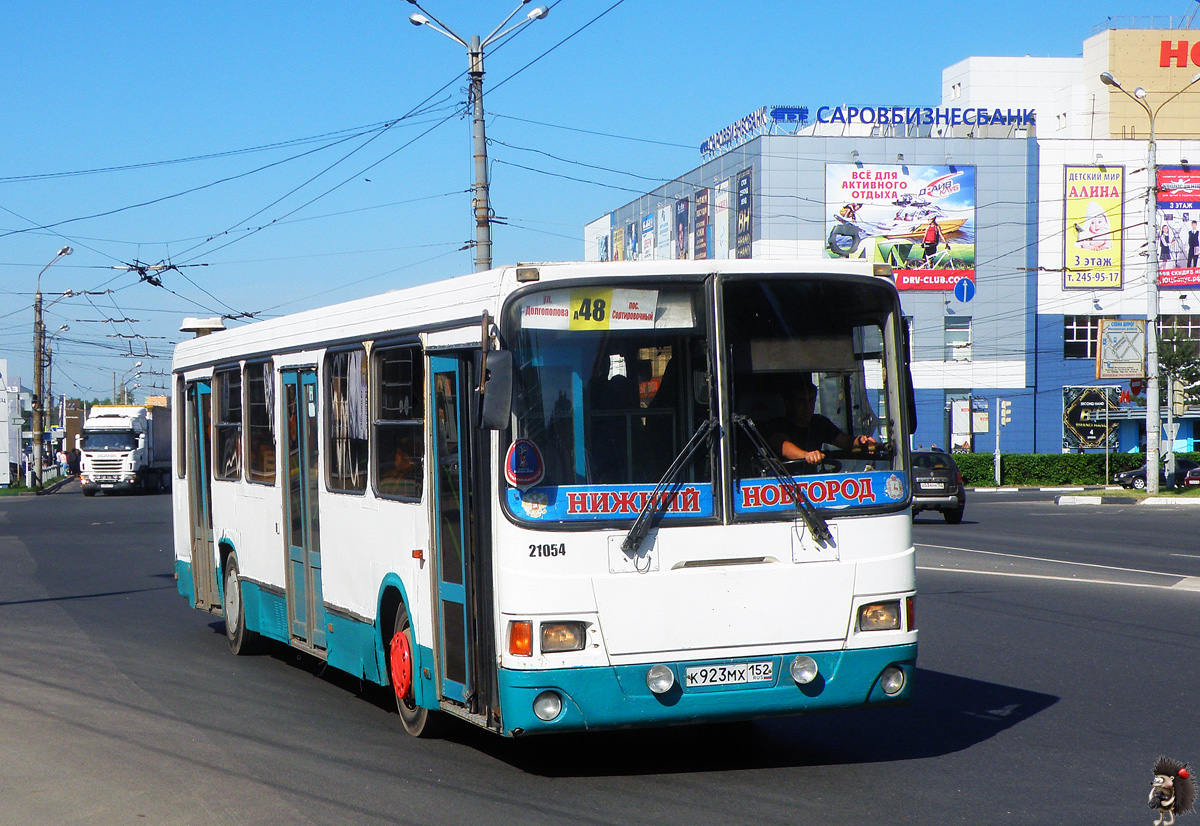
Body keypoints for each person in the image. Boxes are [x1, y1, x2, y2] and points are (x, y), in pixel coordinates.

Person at [765, 374, 875, 466]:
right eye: (801, 401)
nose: (807, 406)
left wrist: (861, 441)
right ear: (789, 404)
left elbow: (847, 442)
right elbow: (784, 447)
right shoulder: (777, 425)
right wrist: (807, 456)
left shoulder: (819, 423)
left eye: (811, 400)